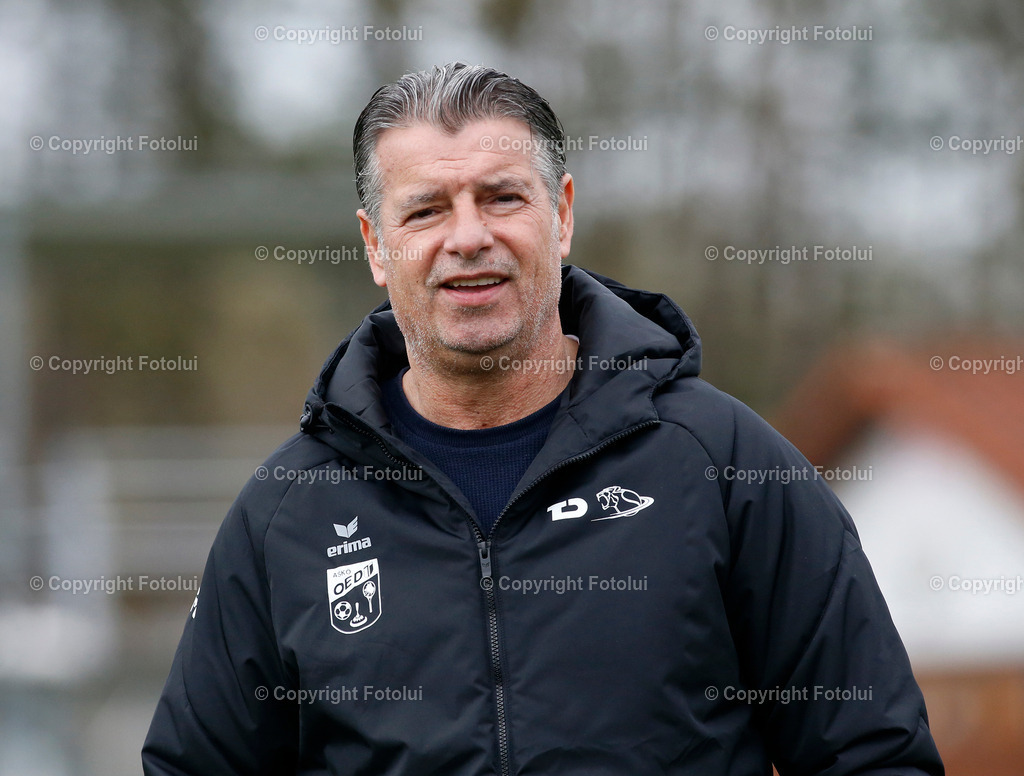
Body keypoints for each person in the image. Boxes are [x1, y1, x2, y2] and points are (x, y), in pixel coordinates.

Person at [143, 63, 944, 775]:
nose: (469, 237)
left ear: (560, 215)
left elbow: (872, 751)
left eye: (501, 197)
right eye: (425, 211)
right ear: (376, 245)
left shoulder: (724, 465)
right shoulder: (287, 513)